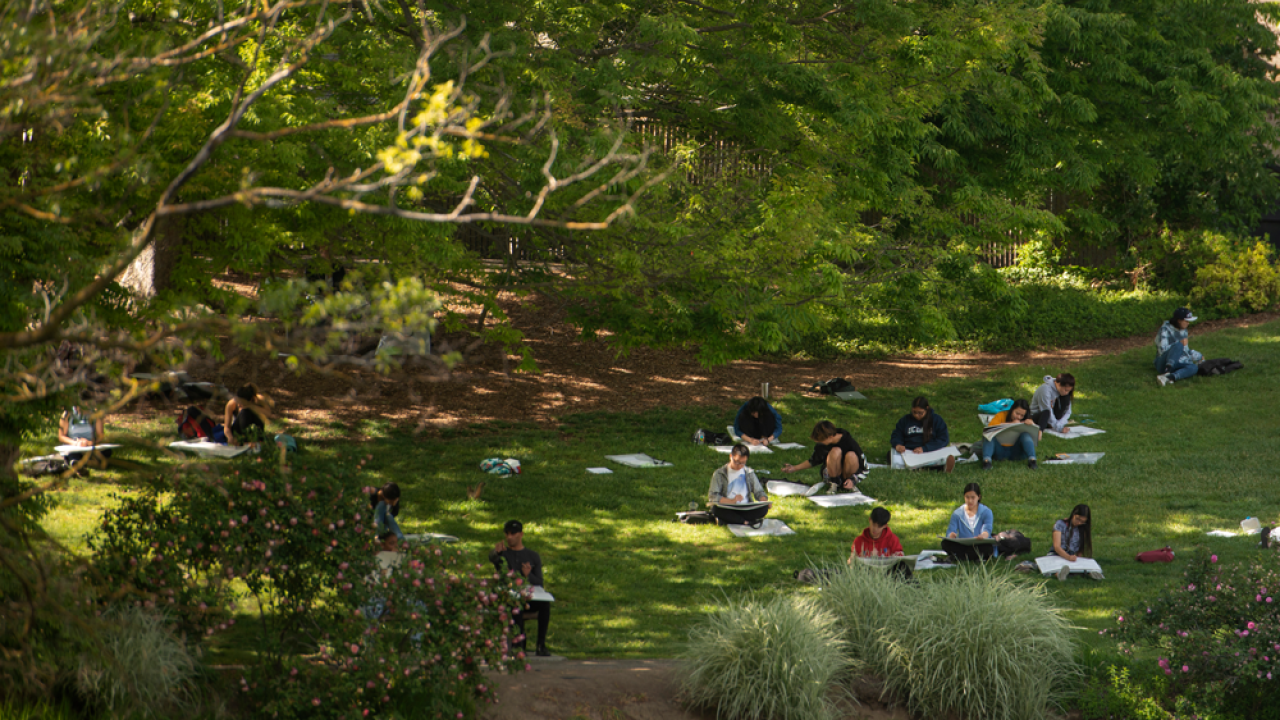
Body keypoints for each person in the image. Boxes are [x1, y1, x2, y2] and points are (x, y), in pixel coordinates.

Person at [489, 520, 551, 657]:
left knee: (545, 605)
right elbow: (494, 560)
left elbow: (539, 582)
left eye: (513, 534)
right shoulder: (503, 554)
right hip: (511, 598)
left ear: (521, 534)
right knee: (515, 606)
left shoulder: (533, 556)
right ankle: (519, 645)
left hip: (528, 597)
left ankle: (541, 645)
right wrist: (495, 553)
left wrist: (528, 576)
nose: (510, 537)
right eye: (507, 534)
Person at [781, 421, 868, 493]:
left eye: (822, 441)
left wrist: (854, 480)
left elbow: (865, 468)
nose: (820, 443)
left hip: (847, 474)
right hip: (831, 474)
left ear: (830, 437)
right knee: (835, 451)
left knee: (851, 455)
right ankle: (834, 484)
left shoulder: (849, 442)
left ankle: (848, 484)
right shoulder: (823, 445)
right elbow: (813, 460)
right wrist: (794, 468)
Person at [707, 444, 770, 525]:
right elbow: (713, 496)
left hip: (746, 507)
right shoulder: (719, 474)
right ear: (730, 456)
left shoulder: (749, 472)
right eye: (737, 462)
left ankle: (732, 520)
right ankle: (744, 521)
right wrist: (732, 501)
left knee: (763, 509)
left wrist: (764, 501)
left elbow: (759, 491)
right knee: (715, 509)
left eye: (743, 463)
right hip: (728, 507)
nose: (739, 466)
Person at [889, 396, 954, 472]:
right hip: (910, 452)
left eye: (920, 413)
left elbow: (943, 439)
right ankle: (928, 467)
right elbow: (897, 434)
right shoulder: (905, 420)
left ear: (927, 409)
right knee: (891, 455)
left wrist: (925, 448)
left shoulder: (936, 420)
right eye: (914, 412)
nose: (917, 415)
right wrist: (898, 444)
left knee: (944, 453)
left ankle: (934, 466)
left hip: (930, 451)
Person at [940, 482, 997, 561]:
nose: (970, 501)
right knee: (945, 544)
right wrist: (951, 535)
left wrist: (983, 535)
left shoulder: (986, 512)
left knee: (988, 548)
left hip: (979, 544)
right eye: (967, 497)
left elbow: (987, 529)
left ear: (979, 497)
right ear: (964, 497)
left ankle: (960, 557)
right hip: (963, 544)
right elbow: (950, 531)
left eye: (973, 497)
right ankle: (972, 556)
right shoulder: (957, 513)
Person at [981, 398, 1040, 470]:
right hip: (999, 450)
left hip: (1017, 451)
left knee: (1025, 435)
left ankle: (1032, 461)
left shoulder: (1027, 420)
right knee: (988, 437)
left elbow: (1038, 438)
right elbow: (989, 430)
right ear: (1012, 410)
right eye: (1017, 413)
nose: (1018, 417)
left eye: (1022, 415)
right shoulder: (1001, 415)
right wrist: (1011, 424)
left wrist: (1033, 425)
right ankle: (987, 462)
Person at [1049, 504, 1103, 581]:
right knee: (1055, 566)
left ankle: (1092, 573)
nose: (1079, 523)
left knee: (1081, 565)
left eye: (1082, 521)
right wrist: (1068, 557)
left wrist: (1077, 559)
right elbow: (1057, 546)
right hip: (1057, 555)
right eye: (1078, 519)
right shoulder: (1060, 524)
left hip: (1072, 557)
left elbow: (1080, 547)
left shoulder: (1082, 529)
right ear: (1073, 514)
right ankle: (1059, 574)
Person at [1155, 308, 1203, 387]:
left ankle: (1170, 377)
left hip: (1176, 362)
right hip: (1163, 363)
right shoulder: (1165, 329)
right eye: (1186, 321)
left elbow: (1185, 351)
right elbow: (1162, 350)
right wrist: (1179, 343)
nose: (1188, 323)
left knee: (1194, 367)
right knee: (1178, 345)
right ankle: (1167, 371)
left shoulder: (1184, 330)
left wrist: (1199, 356)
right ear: (1179, 320)